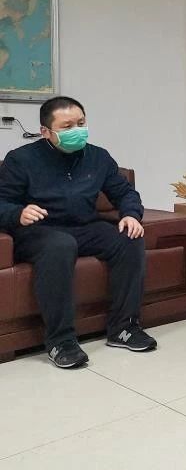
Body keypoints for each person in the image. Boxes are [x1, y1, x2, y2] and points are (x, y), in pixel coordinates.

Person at [0, 96, 157, 369]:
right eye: (67, 126)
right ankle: (60, 341)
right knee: (60, 244)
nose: (77, 130)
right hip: (39, 232)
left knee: (129, 238)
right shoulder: (20, 160)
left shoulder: (98, 157)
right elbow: (2, 202)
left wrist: (131, 214)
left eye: (81, 123)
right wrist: (18, 213)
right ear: (46, 132)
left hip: (84, 226)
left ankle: (124, 328)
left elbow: (125, 193)